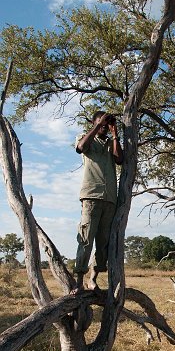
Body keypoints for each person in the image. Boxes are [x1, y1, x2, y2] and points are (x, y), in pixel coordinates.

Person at [72, 110, 123, 293]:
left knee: (103, 243)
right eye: (101, 122)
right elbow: (80, 148)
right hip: (91, 196)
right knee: (86, 239)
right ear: (93, 122)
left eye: (106, 124)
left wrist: (115, 134)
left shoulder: (111, 143)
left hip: (110, 199)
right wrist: (97, 125)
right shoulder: (86, 138)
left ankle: (92, 280)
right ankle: (78, 281)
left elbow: (119, 160)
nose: (104, 126)